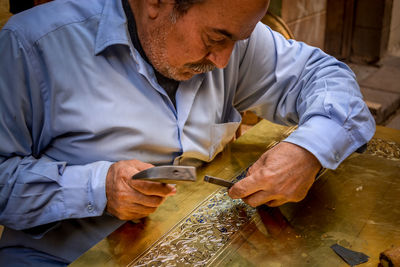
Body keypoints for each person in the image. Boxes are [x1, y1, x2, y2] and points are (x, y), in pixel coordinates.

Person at [0, 0, 375, 265]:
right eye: (216, 38)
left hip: (196, 246)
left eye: (237, 41)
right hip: (65, 257)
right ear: (157, 3)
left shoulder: (229, 32)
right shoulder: (33, 46)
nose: (224, 61)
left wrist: (308, 151)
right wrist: (97, 189)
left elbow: (327, 77)